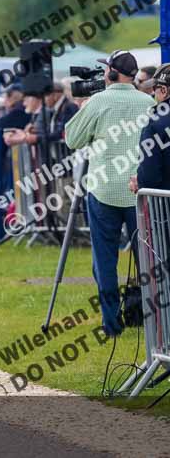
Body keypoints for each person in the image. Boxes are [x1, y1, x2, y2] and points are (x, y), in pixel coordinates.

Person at [65, 50, 154, 337]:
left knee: (104, 262)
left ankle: (112, 323)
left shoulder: (98, 101)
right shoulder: (149, 102)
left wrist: (85, 109)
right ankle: (156, 324)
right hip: (140, 191)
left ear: (111, 73)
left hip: (103, 190)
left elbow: (72, 139)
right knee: (149, 260)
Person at [133, 63, 170, 191]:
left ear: (164, 90)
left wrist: (139, 181)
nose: (153, 93)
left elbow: (150, 176)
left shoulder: (155, 124)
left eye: (155, 89)